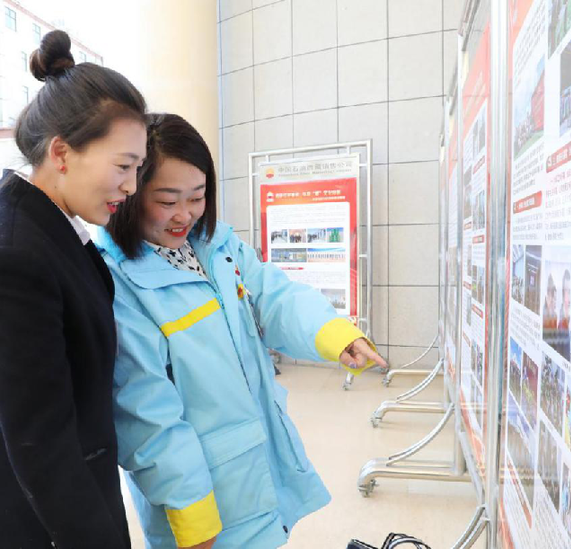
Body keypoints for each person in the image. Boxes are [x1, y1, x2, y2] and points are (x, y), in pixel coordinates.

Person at [98, 113, 387, 549]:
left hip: (258, 464)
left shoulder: (216, 245)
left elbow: (274, 295)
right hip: (202, 495)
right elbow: (146, 415)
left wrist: (333, 333)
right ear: (131, 193)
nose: (185, 215)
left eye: (197, 197)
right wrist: (192, 516)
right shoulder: (119, 282)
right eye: (167, 200)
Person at [0, 30, 146, 548]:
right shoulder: (14, 256)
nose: (131, 186)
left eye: (137, 168)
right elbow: (42, 444)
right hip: (40, 525)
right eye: (123, 166)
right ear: (61, 152)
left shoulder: (45, 227)